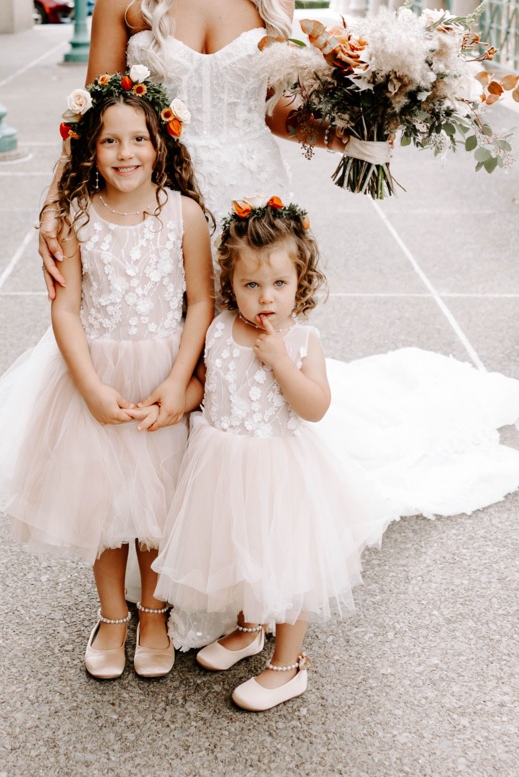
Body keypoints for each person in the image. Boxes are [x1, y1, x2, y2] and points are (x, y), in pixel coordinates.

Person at [36, 0, 519, 652]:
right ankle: (148, 587)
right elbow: (89, 116)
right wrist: (59, 212)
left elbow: (282, 107)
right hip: (152, 202)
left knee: (239, 389)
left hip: (245, 205)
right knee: (158, 365)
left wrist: (364, 126)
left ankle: (237, 582)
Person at [0, 72, 215, 680]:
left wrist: (181, 380)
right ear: (88, 150)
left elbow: (201, 303)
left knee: (158, 508)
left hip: (161, 369)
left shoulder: (184, 215)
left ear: (162, 143)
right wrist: (91, 387)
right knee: (102, 507)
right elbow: (65, 307)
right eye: (109, 142)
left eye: (138, 140)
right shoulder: (77, 216)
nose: (125, 154)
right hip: (95, 372)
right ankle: (111, 617)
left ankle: (153, 612)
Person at [153, 198, 388, 710]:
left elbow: (315, 407)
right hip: (220, 462)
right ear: (230, 283)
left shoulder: (302, 340)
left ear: (300, 283)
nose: (265, 298)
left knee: (284, 564)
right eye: (251, 285)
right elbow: (204, 386)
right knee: (239, 550)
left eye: (279, 285)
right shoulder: (216, 329)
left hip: (279, 471)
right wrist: (175, 405)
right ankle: (248, 628)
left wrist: (281, 361)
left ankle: (288, 663)